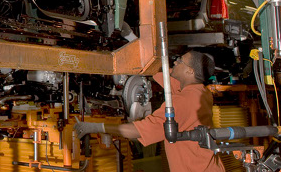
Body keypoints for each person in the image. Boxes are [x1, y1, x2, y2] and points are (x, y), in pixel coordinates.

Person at [75, 51, 224, 172]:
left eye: (180, 60)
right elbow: (162, 72)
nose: (175, 62)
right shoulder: (200, 92)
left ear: (189, 71)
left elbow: (137, 131)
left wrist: (96, 127)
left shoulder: (182, 102)